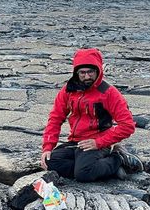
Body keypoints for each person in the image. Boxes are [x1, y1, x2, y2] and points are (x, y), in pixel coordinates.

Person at [40, 48, 143, 182]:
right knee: (49, 162)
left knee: (84, 174)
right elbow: (55, 118)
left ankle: (119, 158)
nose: (87, 76)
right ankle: (98, 167)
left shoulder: (109, 93)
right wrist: (48, 147)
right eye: (82, 72)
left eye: (91, 72)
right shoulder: (69, 90)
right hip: (76, 142)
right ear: (76, 72)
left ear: (98, 70)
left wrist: (98, 143)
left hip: (100, 142)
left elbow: (128, 126)